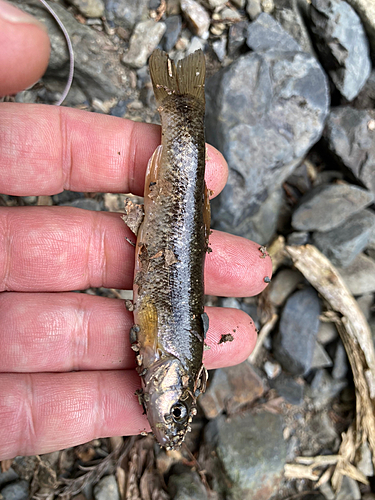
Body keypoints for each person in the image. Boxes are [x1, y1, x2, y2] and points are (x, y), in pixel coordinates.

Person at [0, 0, 272, 461]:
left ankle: (183, 114)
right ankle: (183, 110)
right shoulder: (167, 349)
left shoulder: (161, 357)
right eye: (178, 410)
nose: (167, 418)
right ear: (177, 379)